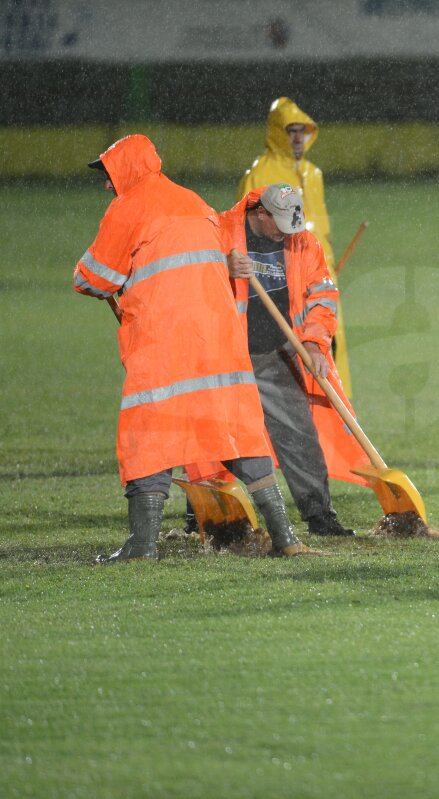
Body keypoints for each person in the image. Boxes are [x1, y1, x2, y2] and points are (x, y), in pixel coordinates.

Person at [73, 134, 319, 562]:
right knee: (239, 433)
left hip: (164, 343)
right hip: (220, 342)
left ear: (124, 171)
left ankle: (142, 546)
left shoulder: (129, 207)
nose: (107, 185)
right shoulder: (194, 201)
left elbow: (95, 277)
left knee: (149, 434)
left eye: (109, 175)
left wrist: (85, 274)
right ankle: (286, 539)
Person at [216, 183, 366, 537]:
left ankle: (320, 516)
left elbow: (323, 295)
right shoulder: (221, 233)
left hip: (278, 355)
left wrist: (314, 343)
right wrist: (220, 266)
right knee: (218, 439)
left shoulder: (302, 239)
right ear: (260, 213)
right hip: (226, 357)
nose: (287, 233)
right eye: (279, 223)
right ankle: (212, 517)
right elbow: (187, 280)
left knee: (300, 436)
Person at [239, 97, 352, 395]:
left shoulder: (314, 175)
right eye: (291, 130)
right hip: (281, 283)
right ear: (277, 132)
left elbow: (321, 233)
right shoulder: (259, 175)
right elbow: (248, 234)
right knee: (290, 367)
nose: (298, 137)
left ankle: (329, 425)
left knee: (328, 350)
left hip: (320, 280)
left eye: (303, 130)